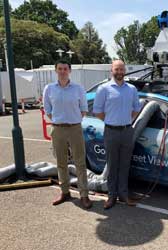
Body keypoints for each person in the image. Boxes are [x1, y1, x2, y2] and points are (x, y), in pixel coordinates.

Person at [43, 59, 92, 209]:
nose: (63, 71)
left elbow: (83, 109)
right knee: (61, 162)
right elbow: (48, 110)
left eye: (65, 69)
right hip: (57, 129)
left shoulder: (78, 88)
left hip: (75, 128)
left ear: (70, 71)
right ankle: (65, 192)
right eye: (60, 69)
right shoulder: (49, 89)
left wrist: (73, 121)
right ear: (56, 70)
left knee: (80, 162)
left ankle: (84, 194)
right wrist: (59, 121)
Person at [93, 60, 141, 209]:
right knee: (112, 165)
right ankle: (111, 196)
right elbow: (97, 111)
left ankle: (124, 194)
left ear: (125, 71)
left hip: (127, 131)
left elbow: (136, 109)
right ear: (111, 70)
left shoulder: (132, 89)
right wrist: (111, 121)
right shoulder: (104, 89)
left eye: (122, 69)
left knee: (125, 164)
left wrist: (126, 121)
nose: (119, 72)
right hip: (111, 131)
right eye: (117, 69)